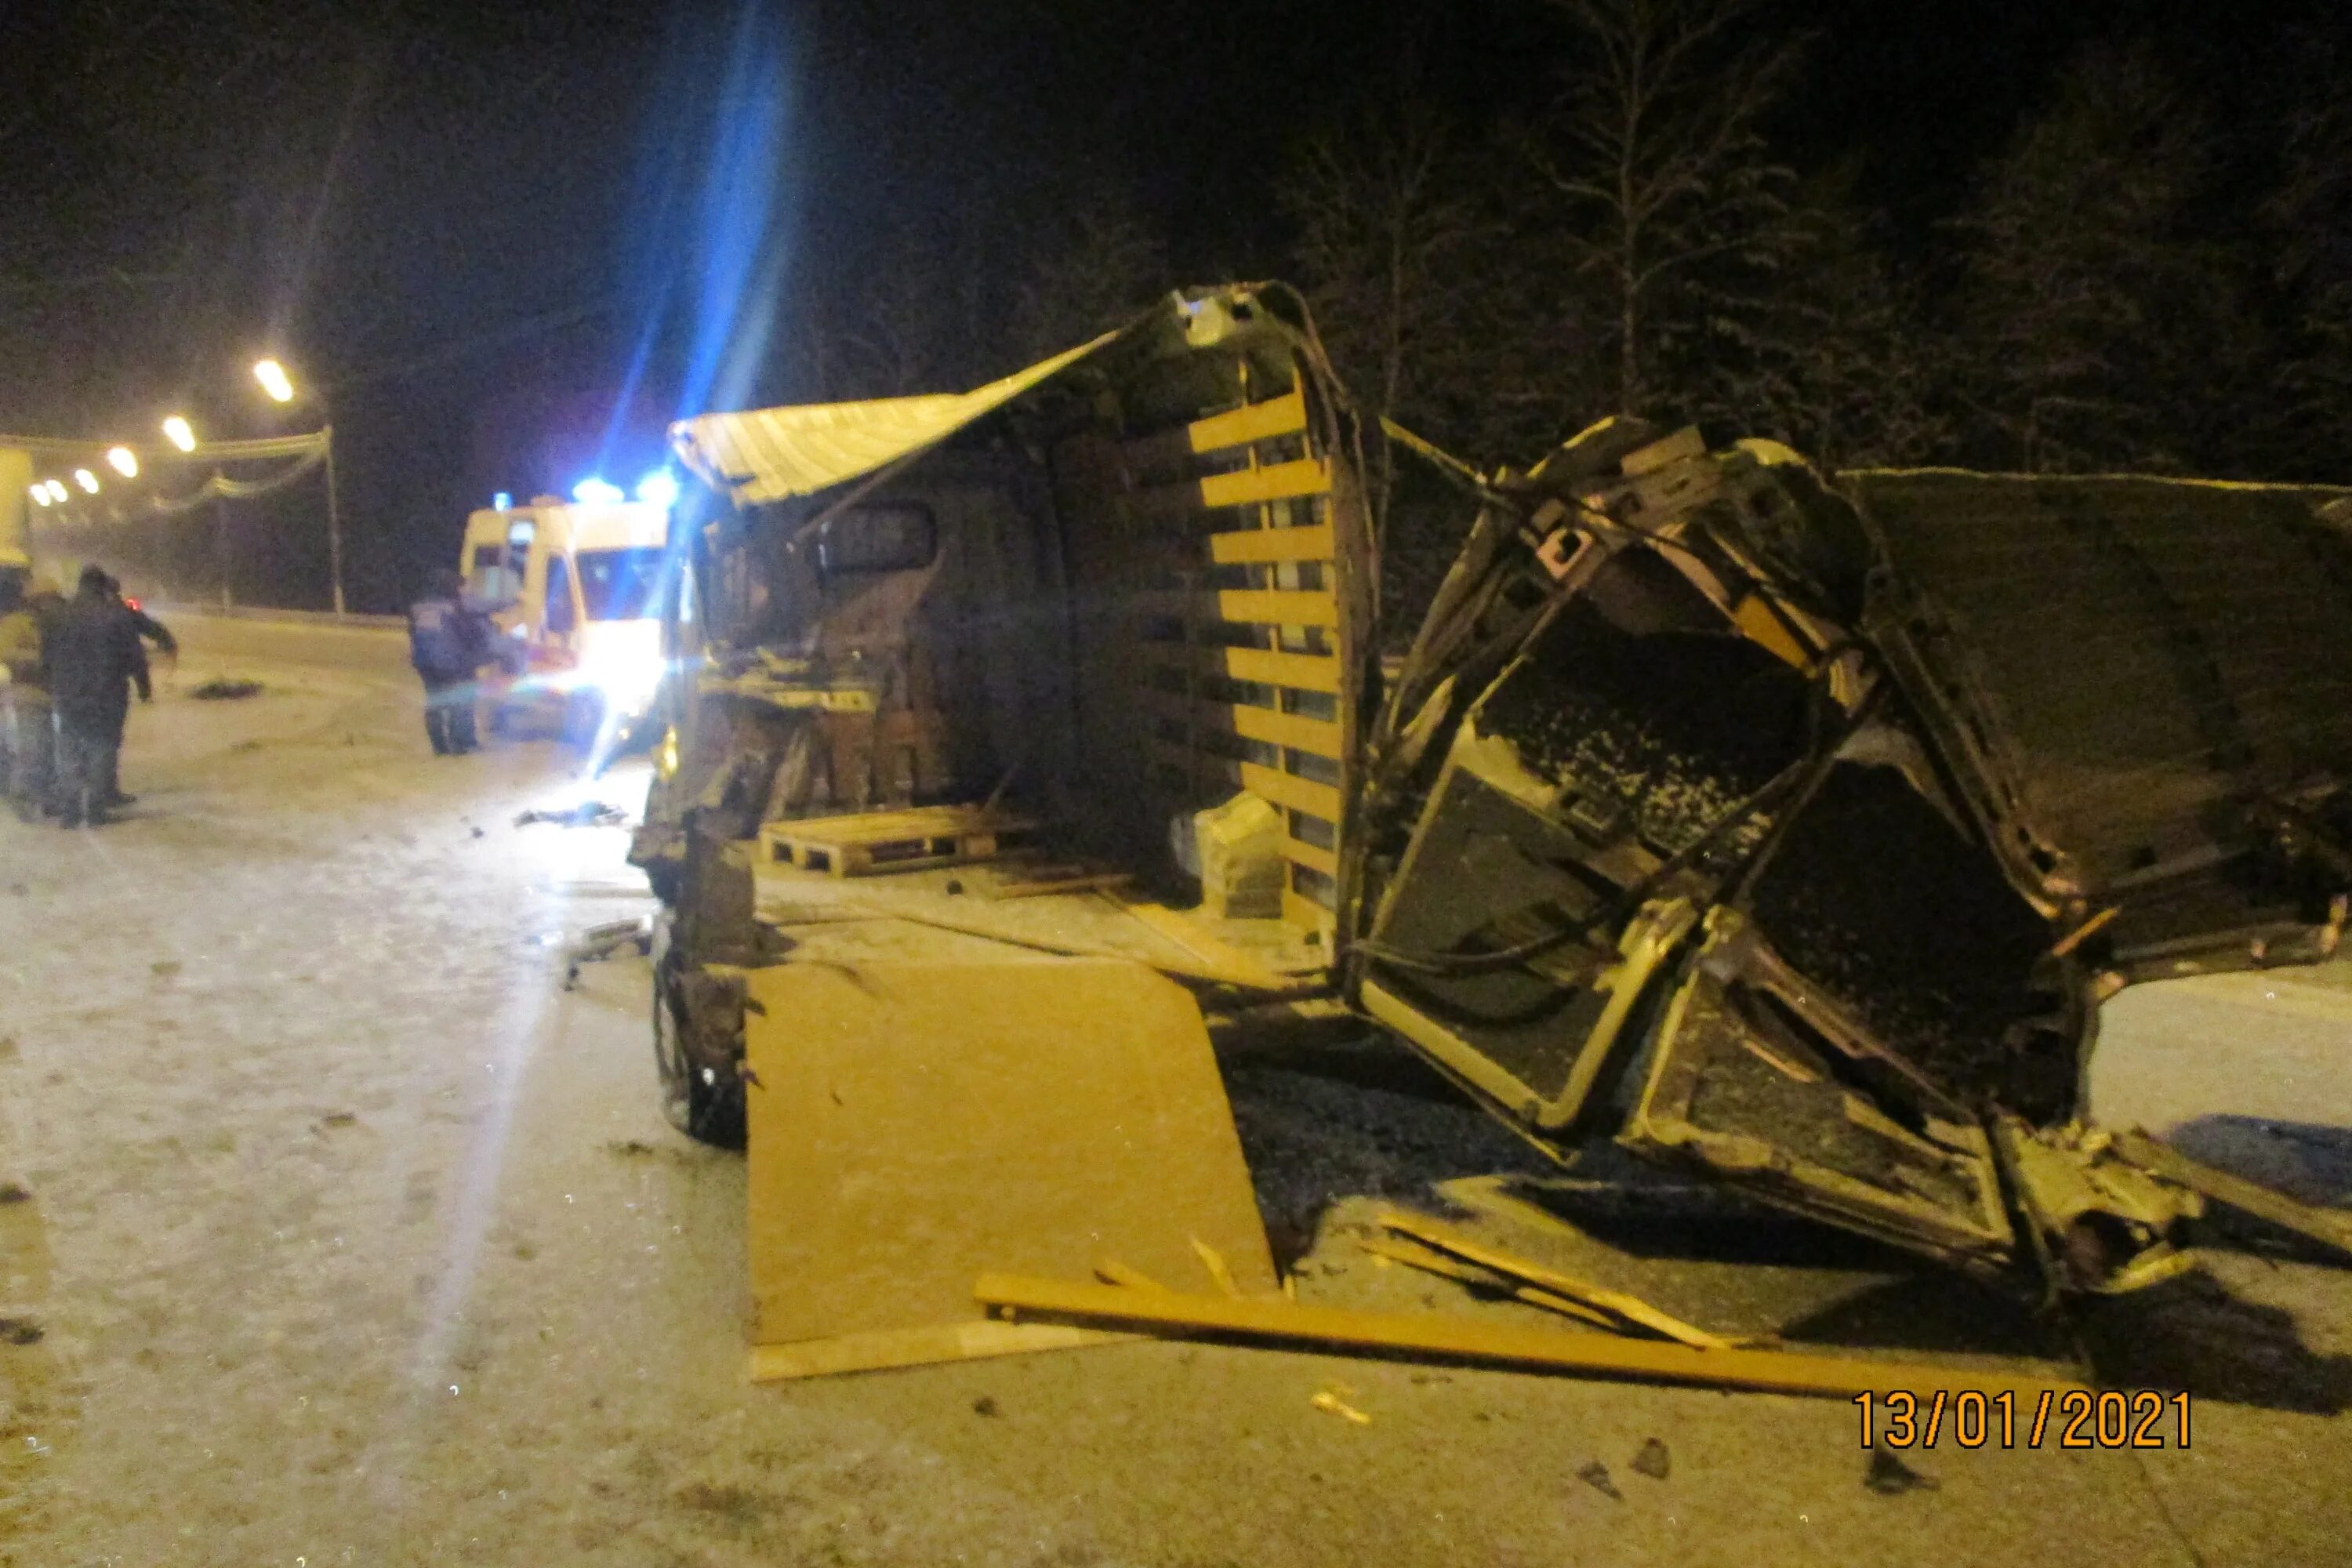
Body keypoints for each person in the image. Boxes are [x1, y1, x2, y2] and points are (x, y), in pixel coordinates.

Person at [45, 564, 149, 827]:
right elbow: (134, 655)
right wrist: (143, 686)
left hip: (68, 694)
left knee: (69, 747)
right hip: (108, 694)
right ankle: (95, 809)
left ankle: (69, 809)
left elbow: (46, 654)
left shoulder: (60, 615)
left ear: (79, 586)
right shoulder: (116, 616)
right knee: (102, 747)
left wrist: (53, 683)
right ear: (102, 587)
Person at [408, 569, 490, 755]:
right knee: (457, 700)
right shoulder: (455, 608)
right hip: (449, 662)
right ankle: (459, 744)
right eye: (461, 586)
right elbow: (469, 634)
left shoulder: (418, 608)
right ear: (453, 588)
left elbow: (413, 633)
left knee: (434, 701)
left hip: (424, 662)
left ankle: (439, 745)